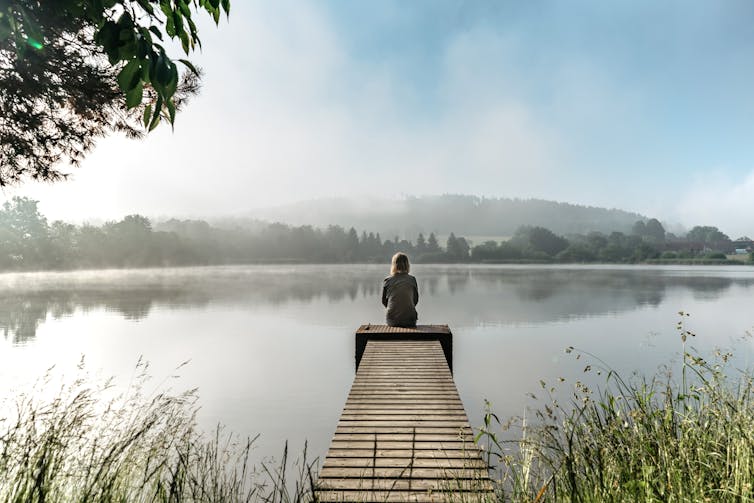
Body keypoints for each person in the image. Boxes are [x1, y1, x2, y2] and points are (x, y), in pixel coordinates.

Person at [382, 252, 419, 327]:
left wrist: (394, 310)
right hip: (410, 320)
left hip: (392, 320)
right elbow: (415, 300)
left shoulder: (387, 280)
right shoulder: (412, 279)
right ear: (407, 265)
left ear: (394, 265)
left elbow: (384, 301)